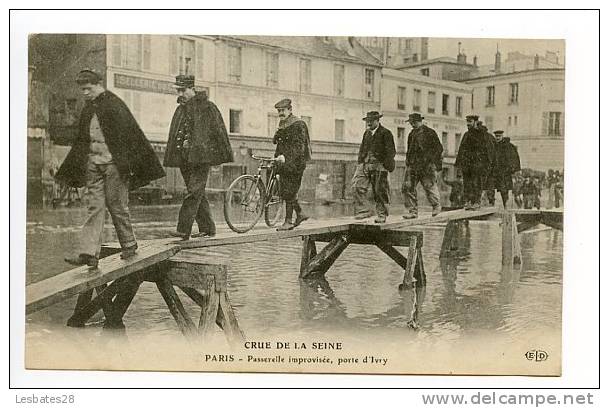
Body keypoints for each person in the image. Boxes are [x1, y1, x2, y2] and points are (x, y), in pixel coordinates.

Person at [57, 69, 165, 267]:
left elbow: (132, 137)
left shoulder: (115, 104)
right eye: (82, 90)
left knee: (117, 205)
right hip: (93, 164)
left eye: (88, 89)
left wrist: (129, 165)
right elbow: (81, 140)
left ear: (98, 85)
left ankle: (129, 244)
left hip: (114, 165)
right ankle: (89, 254)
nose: (85, 93)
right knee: (94, 207)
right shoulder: (88, 108)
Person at [164, 75, 234, 240]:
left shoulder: (208, 107)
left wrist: (214, 155)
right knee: (197, 193)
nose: (180, 93)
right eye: (178, 90)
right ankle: (208, 228)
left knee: (193, 192)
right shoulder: (180, 109)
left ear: (192, 89)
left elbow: (218, 132)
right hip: (185, 158)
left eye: (183, 90)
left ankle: (183, 229)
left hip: (202, 158)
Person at [272, 98, 312, 231]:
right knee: (286, 191)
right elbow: (278, 143)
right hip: (284, 162)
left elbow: (299, 147)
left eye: (282, 110)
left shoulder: (298, 124)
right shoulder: (283, 123)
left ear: (290, 110)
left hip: (296, 163)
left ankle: (288, 221)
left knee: (289, 191)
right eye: (279, 111)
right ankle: (300, 214)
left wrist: (286, 157)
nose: (280, 113)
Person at [352, 111, 396, 223]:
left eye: (371, 121)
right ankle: (364, 211)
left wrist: (385, 166)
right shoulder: (366, 133)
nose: (369, 123)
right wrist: (360, 162)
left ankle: (382, 215)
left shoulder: (386, 133)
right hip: (365, 164)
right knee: (356, 186)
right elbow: (362, 149)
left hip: (379, 165)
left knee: (379, 191)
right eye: (368, 121)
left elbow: (391, 152)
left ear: (377, 121)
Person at [401, 113, 443, 219]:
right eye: (411, 123)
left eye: (414, 122)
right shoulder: (411, 134)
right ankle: (412, 211)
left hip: (426, 166)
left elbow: (439, 149)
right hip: (413, 165)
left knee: (429, 187)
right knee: (408, 187)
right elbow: (409, 150)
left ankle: (436, 207)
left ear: (420, 121)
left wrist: (431, 162)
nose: (412, 124)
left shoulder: (430, 133)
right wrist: (408, 162)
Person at [455, 115, 493, 210]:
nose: (468, 124)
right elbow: (461, 149)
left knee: (477, 183)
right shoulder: (466, 135)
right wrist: (459, 163)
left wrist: (486, 164)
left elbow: (488, 150)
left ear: (475, 122)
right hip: (467, 165)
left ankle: (476, 202)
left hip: (478, 165)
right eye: (467, 121)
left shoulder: (482, 135)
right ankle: (468, 202)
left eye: (470, 121)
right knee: (467, 184)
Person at [490, 130, 521, 208]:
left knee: (504, 189)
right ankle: (491, 204)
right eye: (496, 136)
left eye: (499, 136)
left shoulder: (508, 146)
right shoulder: (493, 146)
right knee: (490, 187)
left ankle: (505, 205)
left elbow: (514, 158)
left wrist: (512, 169)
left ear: (502, 136)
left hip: (504, 173)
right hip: (495, 171)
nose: (497, 138)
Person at [479, 123, 497, 207]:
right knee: (490, 184)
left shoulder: (480, 137)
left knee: (481, 183)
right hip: (491, 165)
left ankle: (480, 202)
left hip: (483, 165)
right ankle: (491, 201)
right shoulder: (491, 137)